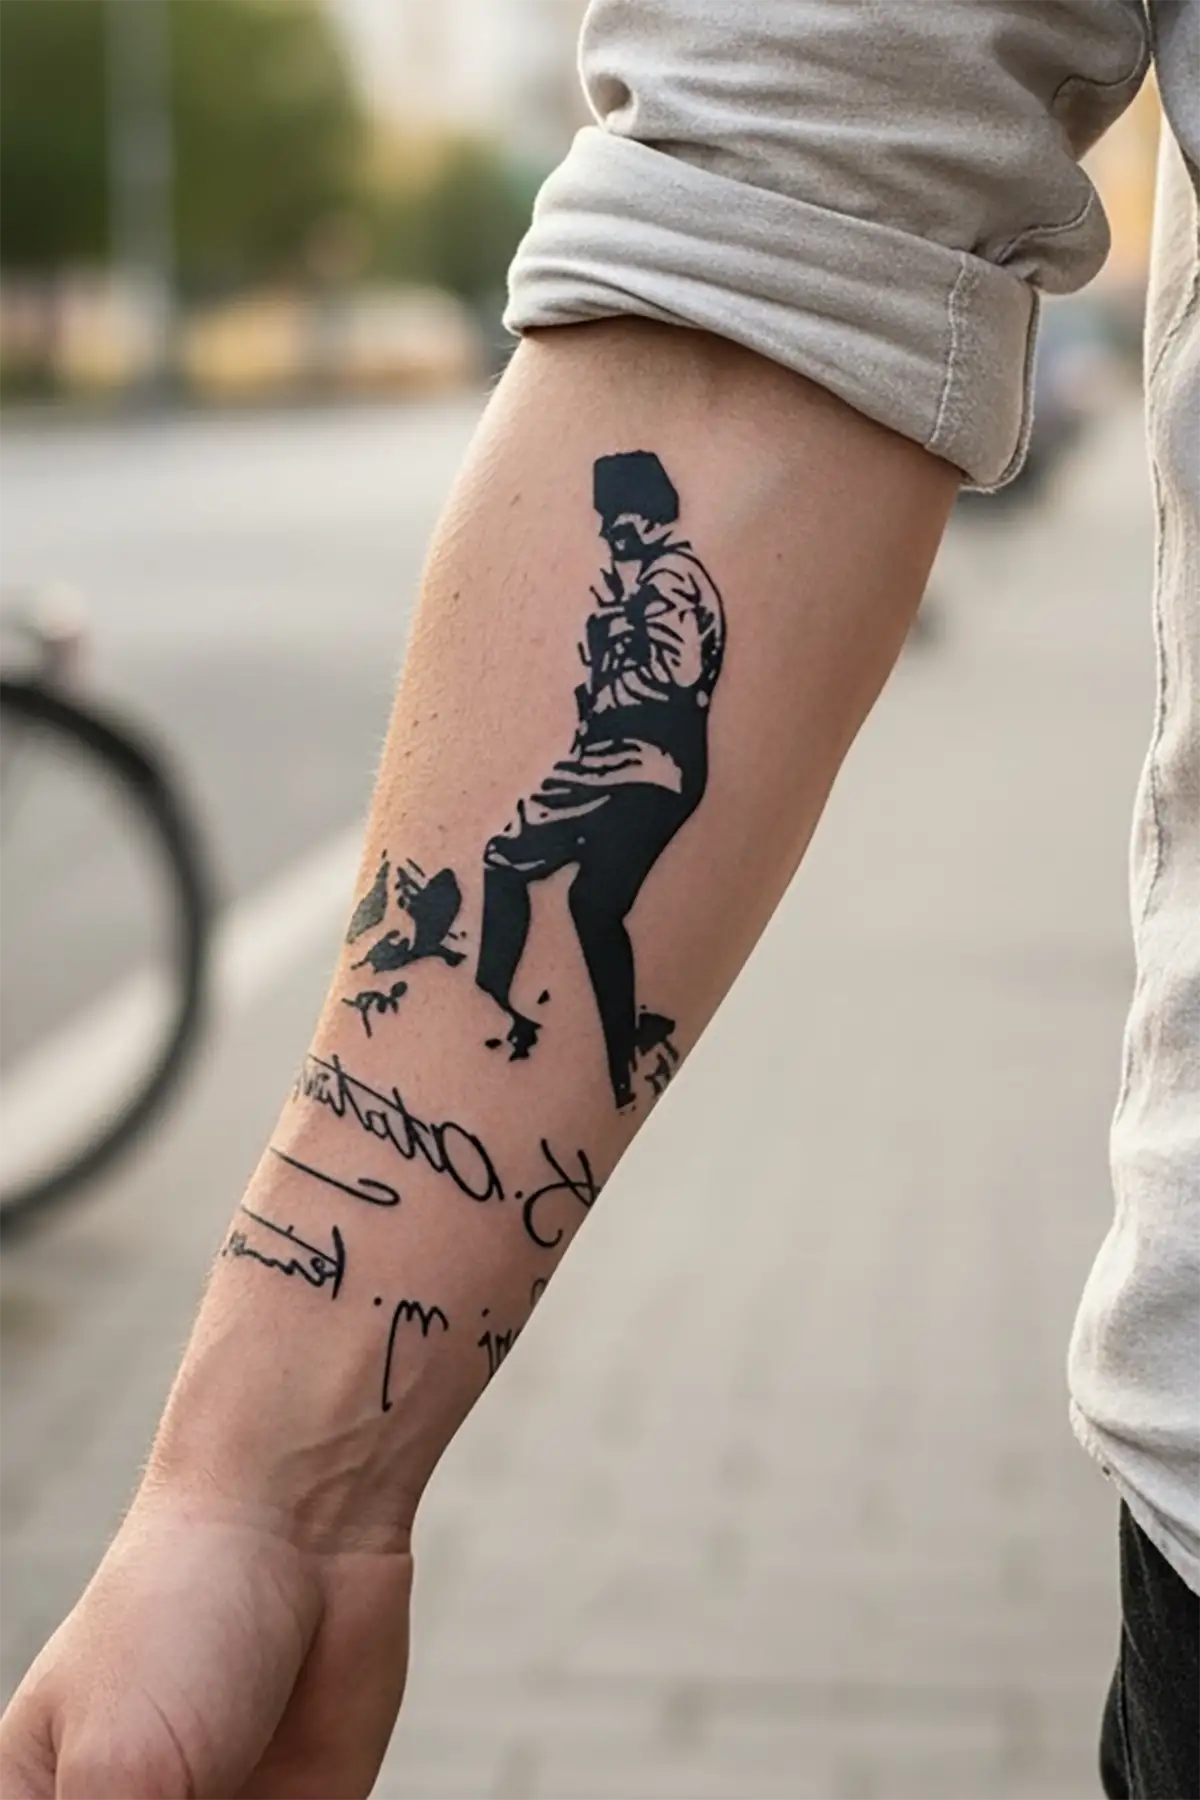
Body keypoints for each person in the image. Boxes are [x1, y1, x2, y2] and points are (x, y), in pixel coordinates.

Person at [3, 3, 1200, 1796]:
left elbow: (782, 244)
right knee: (564, 905)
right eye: (635, 532)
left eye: (636, 532)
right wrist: (263, 1501)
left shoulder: (663, 590)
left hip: (640, 764)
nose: (635, 541)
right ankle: (537, 1005)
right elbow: (789, 216)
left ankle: (517, 997)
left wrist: (264, 1504)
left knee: (534, 883)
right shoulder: (653, 553)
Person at [477, 449, 725, 1104]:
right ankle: (619, 1063)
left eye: (616, 515)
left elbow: (674, 674)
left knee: (505, 858)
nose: (607, 529)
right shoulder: (659, 578)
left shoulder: (668, 578)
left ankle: (499, 1010)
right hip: (655, 767)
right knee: (594, 905)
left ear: (648, 512)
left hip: (630, 762)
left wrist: (614, 632)